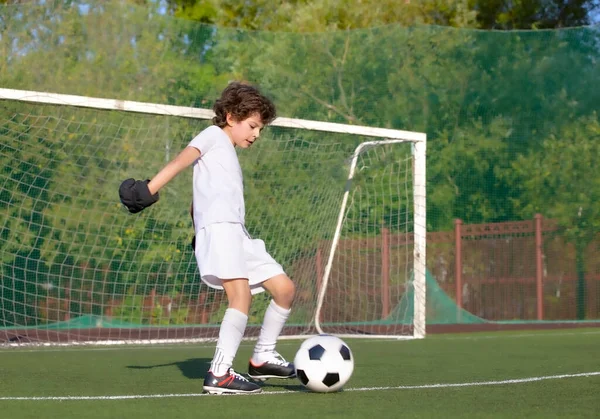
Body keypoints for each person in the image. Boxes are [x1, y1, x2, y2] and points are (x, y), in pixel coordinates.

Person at [119, 81, 296, 395]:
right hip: (221, 230)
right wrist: (149, 189)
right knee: (240, 297)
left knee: (284, 288)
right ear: (230, 117)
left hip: (237, 233)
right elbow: (181, 161)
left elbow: (199, 198)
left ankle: (263, 355)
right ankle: (220, 373)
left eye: (260, 129)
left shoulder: (227, 150)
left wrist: (195, 224)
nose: (256, 134)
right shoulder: (213, 136)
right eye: (253, 126)